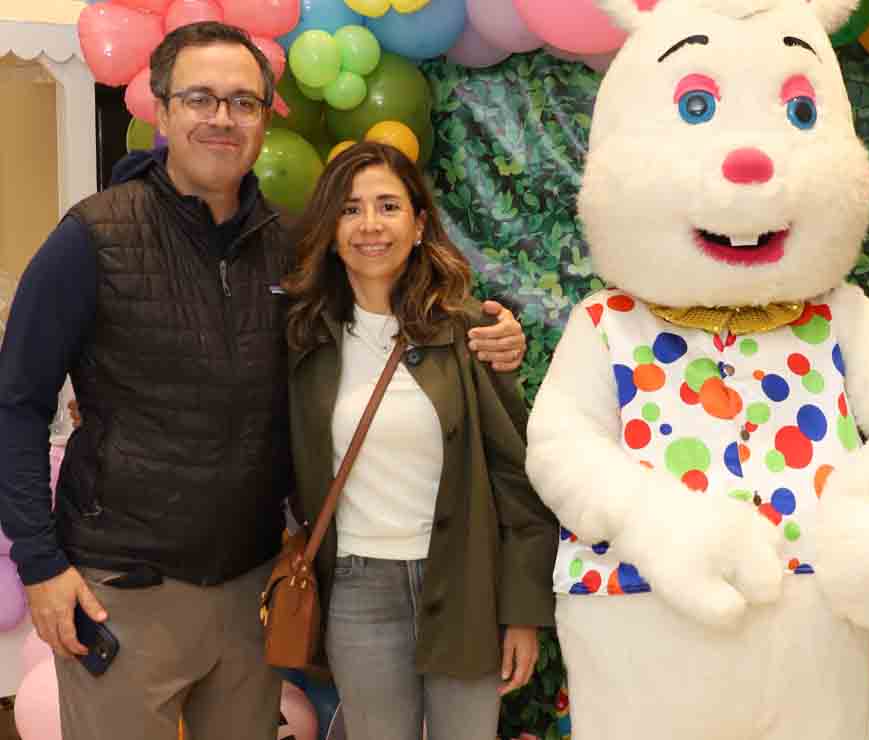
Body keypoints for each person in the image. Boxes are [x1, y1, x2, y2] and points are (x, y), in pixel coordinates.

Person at [0, 22, 526, 740]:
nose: (222, 118)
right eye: (201, 98)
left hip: (252, 590)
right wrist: (40, 563)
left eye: (244, 102)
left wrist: (493, 334)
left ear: (264, 118)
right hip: (122, 590)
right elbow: (16, 405)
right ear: (161, 108)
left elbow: (390, 320)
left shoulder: (293, 248)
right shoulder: (92, 236)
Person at [284, 140, 558, 740]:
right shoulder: (302, 338)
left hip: (463, 584)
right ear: (330, 230)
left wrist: (521, 615)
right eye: (351, 209)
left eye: (388, 205)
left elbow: (517, 480)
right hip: (357, 589)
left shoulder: (471, 333)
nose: (370, 225)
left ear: (419, 223)